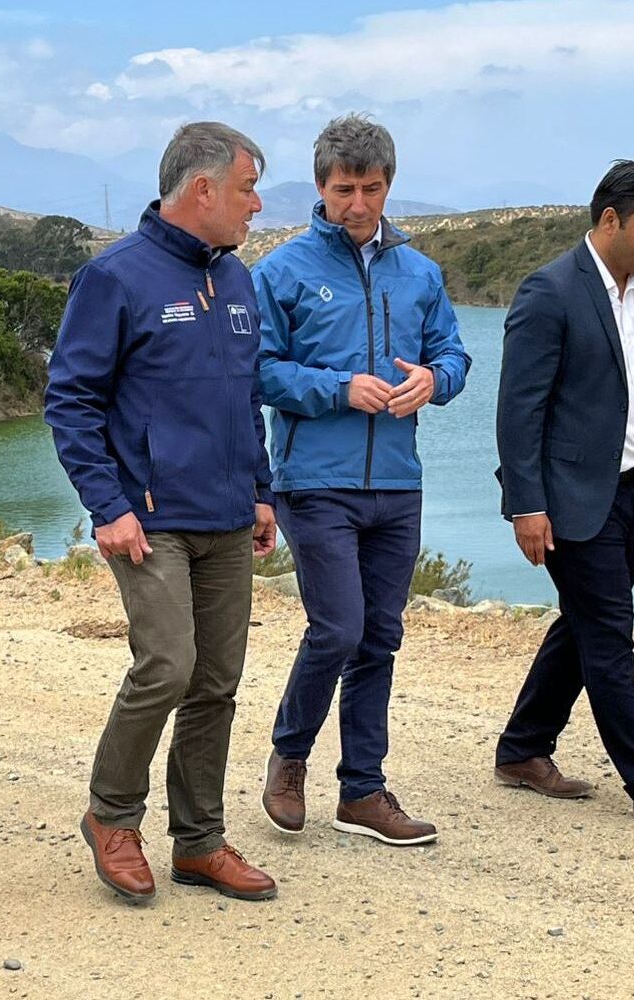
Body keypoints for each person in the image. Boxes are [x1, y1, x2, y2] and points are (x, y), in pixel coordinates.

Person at [45, 122, 279, 902]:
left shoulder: (236, 279)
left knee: (216, 681)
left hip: (226, 516)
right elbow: (70, 400)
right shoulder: (114, 277)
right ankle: (111, 817)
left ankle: (199, 843)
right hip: (146, 520)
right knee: (167, 666)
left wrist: (259, 491)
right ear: (203, 189)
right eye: (247, 188)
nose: (255, 204)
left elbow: (245, 397)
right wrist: (106, 506)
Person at [252, 114, 468, 846]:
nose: (358, 204)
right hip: (314, 482)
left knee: (379, 636)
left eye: (371, 189)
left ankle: (363, 792)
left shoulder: (420, 273)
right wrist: (339, 388)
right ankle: (289, 757)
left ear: (388, 186)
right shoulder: (281, 271)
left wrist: (433, 381)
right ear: (321, 186)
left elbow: (454, 356)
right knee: (338, 628)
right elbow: (259, 371)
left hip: (398, 485)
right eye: (344, 189)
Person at [492, 160, 634, 827]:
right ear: (609, 221)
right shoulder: (549, 291)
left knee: (585, 622)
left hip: (630, 489)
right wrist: (527, 505)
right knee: (608, 634)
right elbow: (518, 410)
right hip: (567, 496)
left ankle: (522, 747)